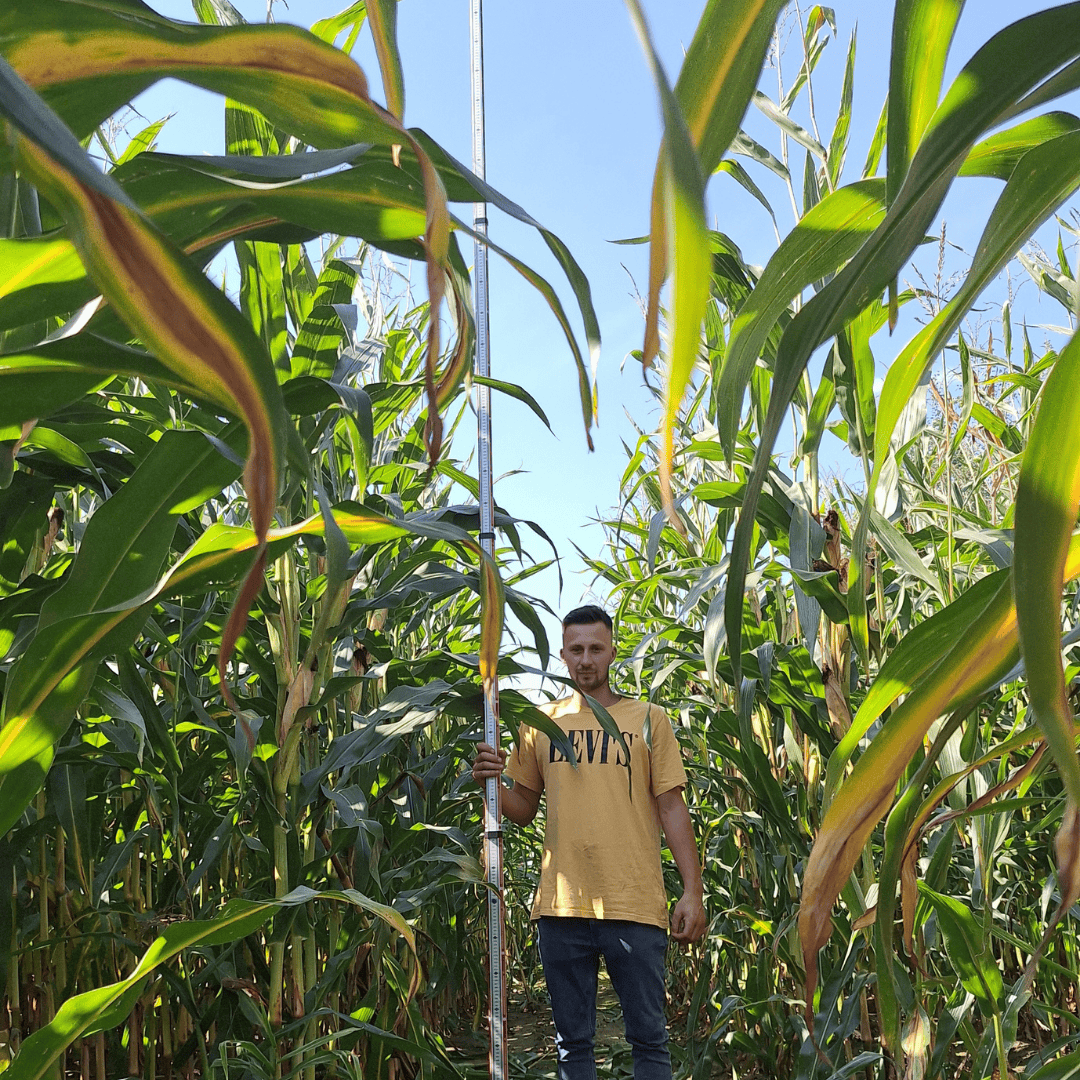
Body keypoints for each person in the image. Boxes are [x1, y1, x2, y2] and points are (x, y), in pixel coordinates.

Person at [472, 604, 706, 1080]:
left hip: (634, 901)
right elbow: (521, 811)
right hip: (562, 906)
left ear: (613, 651)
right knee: (571, 1044)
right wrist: (493, 782)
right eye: (575, 649)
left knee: (649, 1039)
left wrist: (692, 890)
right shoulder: (541, 721)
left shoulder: (649, 719)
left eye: (595, 649)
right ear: (561, 654)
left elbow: (671, 807)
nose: (585, 660)